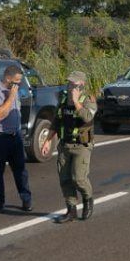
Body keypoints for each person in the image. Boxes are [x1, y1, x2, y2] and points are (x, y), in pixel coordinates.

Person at [0, 64, 33, 213]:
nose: (19, 84)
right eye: (17, 81)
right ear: (8, 78)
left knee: (20, 170)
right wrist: (11, 97)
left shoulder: (15, 90)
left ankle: (26, 199)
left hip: (15, 135)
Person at [55, 71, 96, 223]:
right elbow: (56, 120)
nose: (70, 86)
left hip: (82, 146)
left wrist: (76, 101)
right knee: (65, 179)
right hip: (65, 145)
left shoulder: (89, 99)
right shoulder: (64, 99)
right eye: (69, 83)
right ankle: (71, 210)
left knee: (78, 179)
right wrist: (47, 140)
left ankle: (88, 200)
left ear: (81, 85)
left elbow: (87, 117)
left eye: (73, 83)